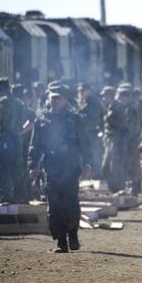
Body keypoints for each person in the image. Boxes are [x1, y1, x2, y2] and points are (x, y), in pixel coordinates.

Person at [28, 84, 93, 253]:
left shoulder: (74, 119)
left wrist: (87, 164)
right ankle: (60, 241)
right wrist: (33, 165)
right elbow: (35, 146)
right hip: (51, 169)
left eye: (59, 98)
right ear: (49, 98)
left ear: (65, 99)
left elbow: (85, 143)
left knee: (71, 202)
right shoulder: (41, 119)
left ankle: (73, 236)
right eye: (53, 97)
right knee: (54, 206)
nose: (55, 101)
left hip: (71, 168)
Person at [0, 77, 29, 203]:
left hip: (4, 142)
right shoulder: (19, 103)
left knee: (3, 172)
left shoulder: (1, 102)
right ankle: (20, 199)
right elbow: (32, 119)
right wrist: (19, 132)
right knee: (17, 171)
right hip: (17, 142)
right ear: (9, 88)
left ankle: (6, 201)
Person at [100, 86, 127, 193]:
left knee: (115, 168)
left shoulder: (118, 108)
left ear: (110, 96)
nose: (103, 98)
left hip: (116, 141)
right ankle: (114, 189)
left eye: (105, 96)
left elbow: (123, 125)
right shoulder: (110, 107)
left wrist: (110, 120)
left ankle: (119, 190)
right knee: (105, 168)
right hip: (110, 140)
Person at [117, 87, 142, 196]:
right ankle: (135, 187)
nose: (119, 100)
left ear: (125, 97)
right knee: (135, 163)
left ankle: (133, 187)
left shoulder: (130, 109)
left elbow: (130, 127)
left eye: (120, 98)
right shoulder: (134, 105)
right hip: (135, 139)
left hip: (131, 140)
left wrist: (125, 142)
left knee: (129, 164)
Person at [77, 82, 105, 179]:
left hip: (93, 134)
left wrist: (78, 118)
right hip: (86, 133)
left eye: (83, 90)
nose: (81, 92)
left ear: (89, 90)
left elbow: (94, 119)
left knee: (94, 155)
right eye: (79, 91)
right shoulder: (84, 102)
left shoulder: (93, 102)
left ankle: (96, 176)